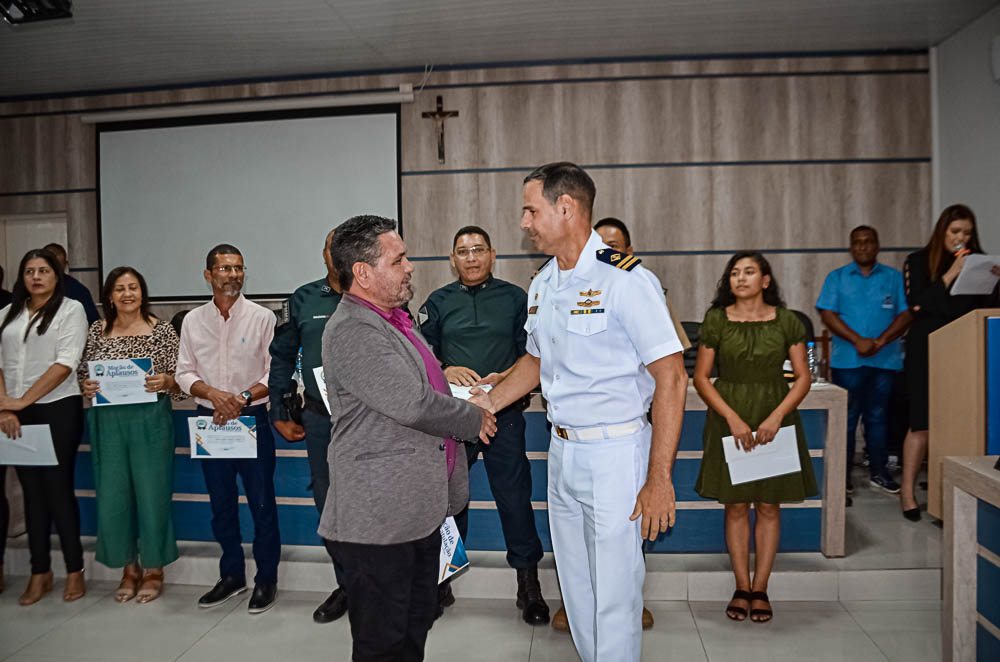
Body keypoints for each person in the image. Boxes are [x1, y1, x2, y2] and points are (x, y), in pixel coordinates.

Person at [472, 163, 687, 662]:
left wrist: (659, 478)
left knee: (614, 595)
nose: (524, 222)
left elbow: (672, 377)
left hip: (615, 453)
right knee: (578, 587)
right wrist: (490, 401)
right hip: (562, 451)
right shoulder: (545, 281)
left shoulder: (626, 279)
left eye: (531, 210)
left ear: (565, 207)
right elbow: (537, 361)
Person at [319, 214, 494, 662]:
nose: (410, 266)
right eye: (398, 260)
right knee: (383, 644)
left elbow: (427, 388)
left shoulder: (396, 320)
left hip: (416, 512)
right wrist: (472, 418)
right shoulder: (354, 329)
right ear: (363, 272)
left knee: (414, 630)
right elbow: (412, 403)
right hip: (379, 520)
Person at [418, 225, 549, 625]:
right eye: (463, 251)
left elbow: (534, 353)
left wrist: (502, 378)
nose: (471, 257)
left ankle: (528, 587)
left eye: (478, 250)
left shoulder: (515, 298)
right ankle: (443, 583)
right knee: (450, 504)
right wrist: (446, 368)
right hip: (454, 420)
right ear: (452, 259)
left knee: (515, 501)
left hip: (504, 415)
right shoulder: (437, 302)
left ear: (493, 255)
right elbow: (422, 353)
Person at [692, 251, 818, 623]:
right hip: (729, 418)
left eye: (749, 272)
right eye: (734, 273)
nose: (741, 278)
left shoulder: (787, 321)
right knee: (734, 505)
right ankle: (741, 585)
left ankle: (761, 587)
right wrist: (730, 417)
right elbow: (701, 377)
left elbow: (803, 377)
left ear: (765, 280)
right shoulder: (716, 320)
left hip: (774, 417)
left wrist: (776, 417)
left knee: (767, 505)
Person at [174, 244, 280, 613]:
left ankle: (266, 578)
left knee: (262, 504)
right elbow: (183, 372)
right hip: (210, 423)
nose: (232, 275)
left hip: (252, 419)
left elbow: (275, 374)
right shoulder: (192, 320)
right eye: (224, 269)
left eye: (238, 268)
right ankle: (232, 575)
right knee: (221, 505)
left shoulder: (263, 317)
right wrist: (215, 395)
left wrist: (239, 399)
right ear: (208, 275)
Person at [77, 266, 185, 603]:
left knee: (152, 495)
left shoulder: (162, 330)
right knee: (113, 495)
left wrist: (166, 381)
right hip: (107, 422)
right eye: (120, 288)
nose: (127, 294)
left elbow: (181, 378)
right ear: (109, 295)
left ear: (143, 293)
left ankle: (154, 568)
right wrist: (86, 384)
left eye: (133, 287)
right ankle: (128, 567)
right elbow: (82, 374)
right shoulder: (96, 330)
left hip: (150, 419)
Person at [268, 228, 351, 624]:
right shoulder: (302, 299)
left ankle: (373, 582)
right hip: (319, 419)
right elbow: (282, 357)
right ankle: (347, 583)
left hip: (369, 422)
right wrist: (279, 412)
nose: (336, 253)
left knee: (370, 503)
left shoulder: (372, 292)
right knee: (328, 504)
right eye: (330, 246)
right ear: (324, 253)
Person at [900, 205, 1000, 521]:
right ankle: (907, 492)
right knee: (923, 422)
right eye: (955, 231)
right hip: (926, 346)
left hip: (965, 348)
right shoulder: (917, 261)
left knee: (960, 420)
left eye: (967, 233)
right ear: (942, 231)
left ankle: (952, 496)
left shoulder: (980, 261)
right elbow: (918, 305)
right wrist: (950, 275)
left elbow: (987, 311)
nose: (961, 238)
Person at [0, 248, 88, 606]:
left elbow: (65, 364)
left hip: (57, 409)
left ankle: (73, 570)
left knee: (57, 490)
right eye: (29, 271)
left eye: (44, 271)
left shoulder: (71, 310)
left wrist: (22, 401)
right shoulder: (7, 314)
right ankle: (40, 571)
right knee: (31, 492)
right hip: (14, 412)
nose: (36, 277)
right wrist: (5, 406)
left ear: (57, 275)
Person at [816, 226, 912, 496]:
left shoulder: (892, 277)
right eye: (857, 243)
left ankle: (879, 473)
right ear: (851, 247)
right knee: (845, 420)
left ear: (877, 245)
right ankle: (841, 478)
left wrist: (880, 341)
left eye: (868, 242)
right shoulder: (837, 278)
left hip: (885, 360)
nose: (863, 247)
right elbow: (828, 314)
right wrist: (858, 340)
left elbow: (905, 315)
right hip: (848, 362)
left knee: (878, 418)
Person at [594, 216, 691, 351]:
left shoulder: (648, 288)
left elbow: (673, 349)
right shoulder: (581, 289)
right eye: (599, 246)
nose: (605, 253)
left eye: (612, 246)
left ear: (629, 252)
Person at [42, 243, 100, 325]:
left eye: (58, 267)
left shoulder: (77, 290)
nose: (53, 271)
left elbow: (94, 324)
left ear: (65, 265)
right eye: (49, 267)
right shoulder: (29, 286)